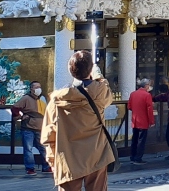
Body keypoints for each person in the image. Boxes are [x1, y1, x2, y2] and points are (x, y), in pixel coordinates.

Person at [42, 51, 115, 191]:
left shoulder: (57, 100)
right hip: (96, 152)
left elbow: (49, 133)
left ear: (70, 70)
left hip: (67, 155)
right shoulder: (99, 93)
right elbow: (106, 89)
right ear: (90, 69)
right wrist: (97, 74)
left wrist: (51, 158)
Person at [13, 81, 50, 174]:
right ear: (31, 89)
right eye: (36, 87)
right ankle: (30, 168)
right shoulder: (26, 98)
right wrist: (21, 116)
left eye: (39, 87)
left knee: (43, 148)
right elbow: (15, 108)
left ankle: (46, 166)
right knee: (28, 149)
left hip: (40, 128)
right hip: (28, 128)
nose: (38, 89)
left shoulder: (42, 99)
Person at [129, 79, 154, 164]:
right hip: (143, 121)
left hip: (135, 120)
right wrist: (151, 121)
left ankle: (133, 156)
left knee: (134, 139)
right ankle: (138, 158)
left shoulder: (133, 94)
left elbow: (129, 106)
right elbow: (149, 109)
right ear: (146, 85)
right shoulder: (147, 95)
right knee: (141, 140)